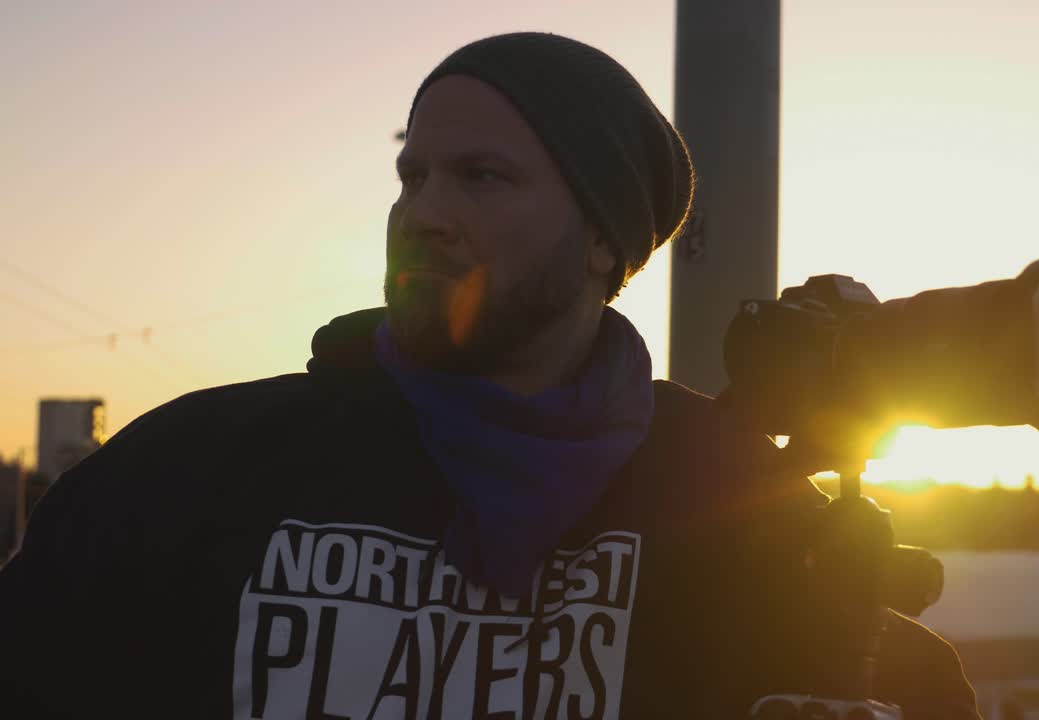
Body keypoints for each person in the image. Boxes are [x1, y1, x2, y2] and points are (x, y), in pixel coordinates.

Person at [0, 32, 979, 718]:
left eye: (481, 177)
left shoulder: (729, 502)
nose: (421, 213)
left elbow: (901, 689)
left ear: (602, 241)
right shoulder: (190, 469)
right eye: (413, 175)